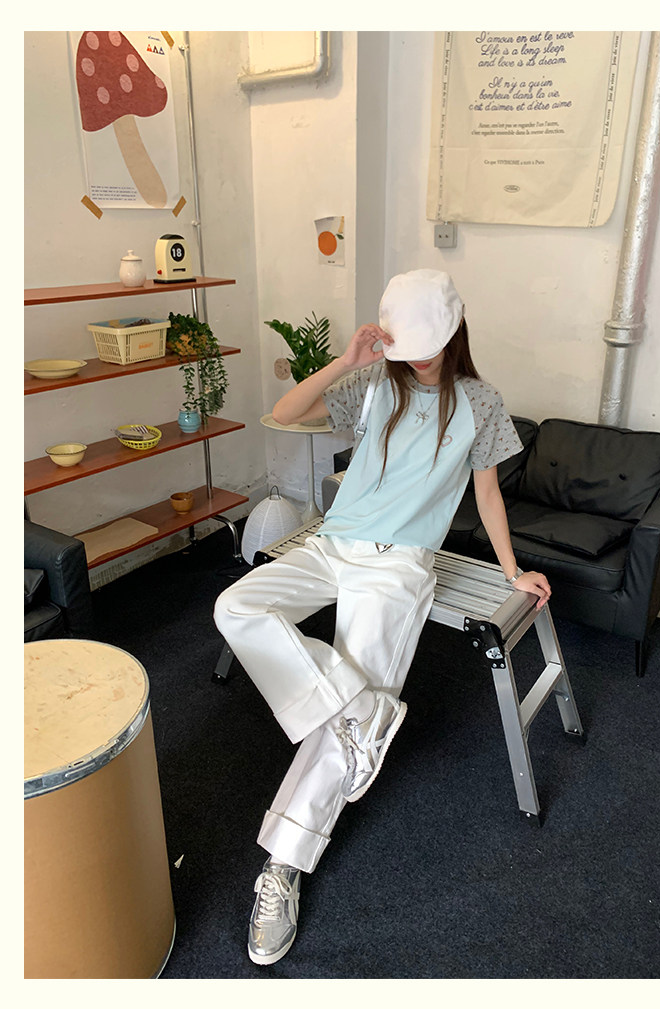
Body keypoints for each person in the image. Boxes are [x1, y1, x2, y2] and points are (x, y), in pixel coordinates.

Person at [213, 269, 551, 965]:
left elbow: (488, 495)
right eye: (408, 346)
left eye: (428, 346)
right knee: (236, 605)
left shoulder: (482, 402)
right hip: (331, 543)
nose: (418, 359)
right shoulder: (374, 384)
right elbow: (286, 409)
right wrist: (347, 359)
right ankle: (360, 710)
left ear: (455, 332)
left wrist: (513, 570)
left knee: (337, 726)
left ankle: (283, 865)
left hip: (399, 566)